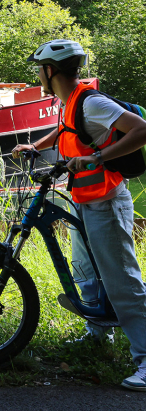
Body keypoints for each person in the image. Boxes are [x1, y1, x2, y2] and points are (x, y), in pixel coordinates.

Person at [13, 39, 146, 391]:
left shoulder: (92, 102)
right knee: (86, 270)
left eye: (38, 69)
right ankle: (98, 335)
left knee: (122, 280)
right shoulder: (69, 102)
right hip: (84, 198)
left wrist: (99, 158)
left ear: (50, 70)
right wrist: (36, 146)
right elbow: (67, 131)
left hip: (107, 200)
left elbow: (141, 129)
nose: (37, 76)